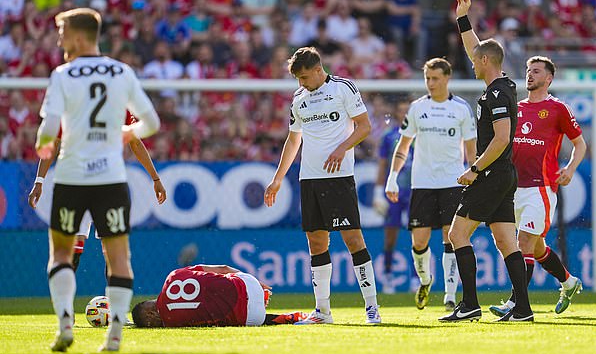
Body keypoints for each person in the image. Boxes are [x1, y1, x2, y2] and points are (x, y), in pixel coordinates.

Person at [35, 8, 160, 352]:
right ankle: (115, 334)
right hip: (111, 179)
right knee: (119, 256)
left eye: (62, 33)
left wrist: (43, 148)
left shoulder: (62, 74)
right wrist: (124, 133)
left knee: (60, 254)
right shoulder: (121, 72)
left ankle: (64, 325)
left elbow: (48, 130)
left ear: (77, 37)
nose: (59, 41)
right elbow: (151, 123)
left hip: (72, 178)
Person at [263, 47, 380, 324]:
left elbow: (364, 126)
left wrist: (342, 149)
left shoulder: (343, 88)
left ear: (318, 69)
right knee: (316, 242)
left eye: (304, 77)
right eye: (297, 79)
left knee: (353, 240)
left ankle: (372, 307)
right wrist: (278, 179)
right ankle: (322, 312)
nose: (301, 83)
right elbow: (293, 140)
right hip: (309, 179)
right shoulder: (299, 98)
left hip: (338, 178)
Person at [439, 0, 533, 323]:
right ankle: (522, 309)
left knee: (457, 235)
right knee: (507, 241)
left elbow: (503, 137)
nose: (472, 62)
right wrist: (463, 19)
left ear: (487, 63)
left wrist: (475, 168)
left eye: (477, 61)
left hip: (491, 173)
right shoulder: (501, 85)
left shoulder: (496, 93)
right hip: (504, 173)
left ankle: (469, 305)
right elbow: (475, 49)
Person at [489, 56, 586, 318]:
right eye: (528, 70)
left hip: (540, 187)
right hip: (513, 188)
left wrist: (569, 168)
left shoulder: (558, 109)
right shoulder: (516, 107)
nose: (530, 75)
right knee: (536, 246)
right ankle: (568, 282)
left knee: (523, 243)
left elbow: (580, 144)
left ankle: (515, 303)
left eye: (536, 71)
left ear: (549, 78)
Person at [385, 58, 476, 311]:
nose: (431, 83)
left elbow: (471, 150)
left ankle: (449, 294)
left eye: (435, 78)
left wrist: (474, 176)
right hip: (422, 184)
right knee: (419, 242)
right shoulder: (417, 108)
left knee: (451, 238)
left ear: (447, 78)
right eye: (427, 78)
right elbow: (403, 146)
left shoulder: (461, 108)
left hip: (452, 182)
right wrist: (393, 177)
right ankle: (425, 280)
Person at [28, 112, 167, 272]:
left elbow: (54, 143)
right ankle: (114, 296)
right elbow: (136, 141)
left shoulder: (73, 98)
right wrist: (155, 179)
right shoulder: (118, 98)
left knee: (73, 253)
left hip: (79, 183)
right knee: (112, 254)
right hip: (105, 183)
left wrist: (39, 181)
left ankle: (63, 297)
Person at [131, 264, 307, 327]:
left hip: (253, 318)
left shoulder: (170, 323)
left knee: (225, 316)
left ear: (150, 313)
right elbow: (224, 268)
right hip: (248, 282)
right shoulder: (173, 275)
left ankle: (284, 318)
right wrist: (253, 282)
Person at [373, 99, 413, 295]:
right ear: (397, 113)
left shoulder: (421, 134)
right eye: (402, 111)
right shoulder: (389, 137)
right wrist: (378, 192)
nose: (405, 114)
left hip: (416, 189)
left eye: (408, 111)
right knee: (390, 236)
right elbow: (382, 165)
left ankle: (416, 278)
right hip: (394, 191)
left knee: (418, 234)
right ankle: (388, 277)